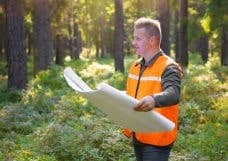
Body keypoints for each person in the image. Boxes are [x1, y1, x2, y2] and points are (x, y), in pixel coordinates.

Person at [123, 17, 183, 161]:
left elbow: (173, 93)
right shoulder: (135, 66)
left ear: (152, 41)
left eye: (138, 39)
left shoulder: (169, 67)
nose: (133, 43)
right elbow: (133, 94)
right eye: (134, 38)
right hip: (139, 133)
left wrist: (153, 99)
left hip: (157, 138)